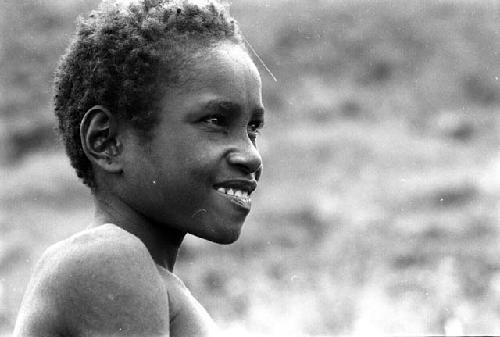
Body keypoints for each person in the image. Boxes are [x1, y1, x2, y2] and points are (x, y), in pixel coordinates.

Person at [13, 0, 264, 335]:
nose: (250, 155)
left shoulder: (153, 278)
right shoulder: (109, 259)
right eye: (215, 121)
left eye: (253, 129)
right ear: (107, 140)